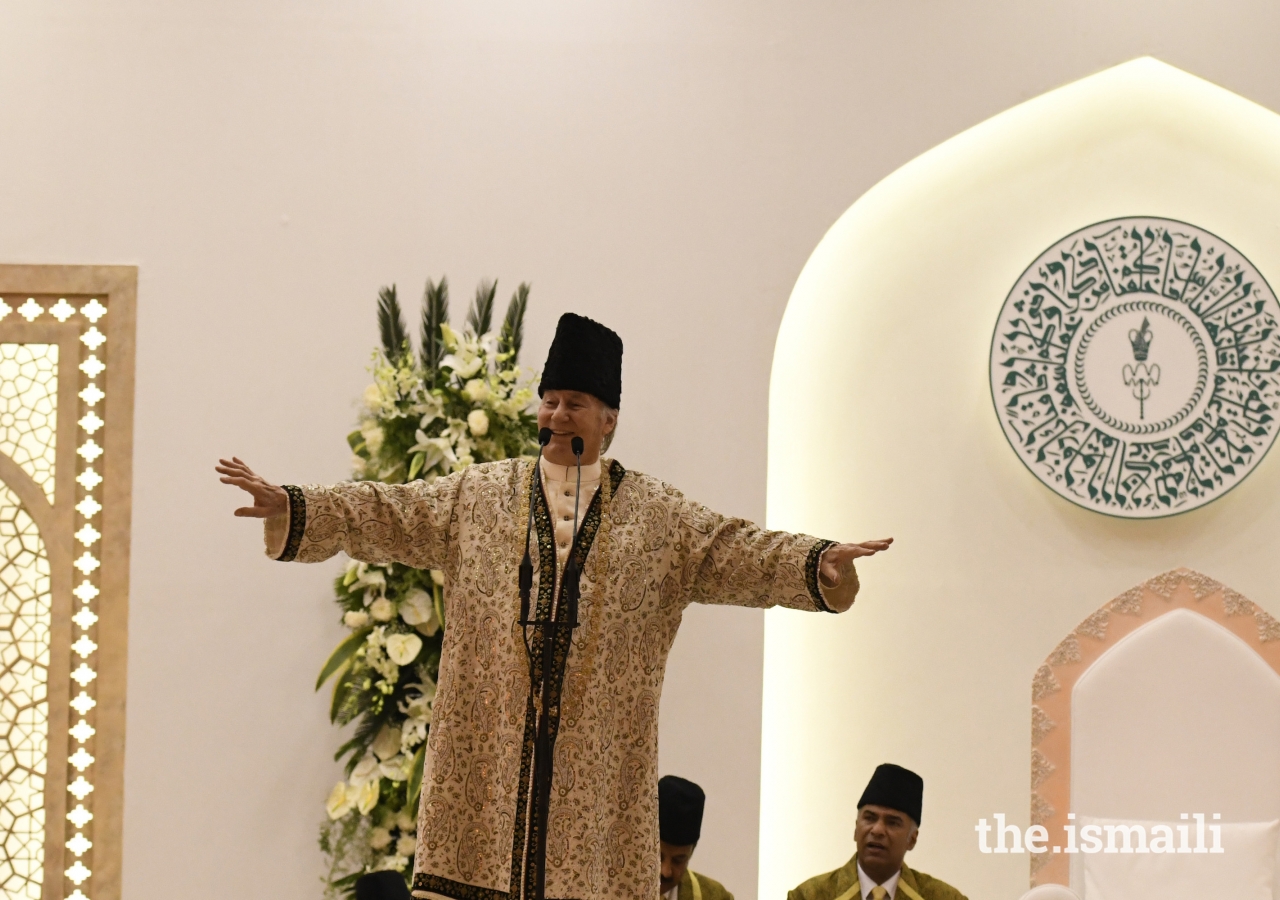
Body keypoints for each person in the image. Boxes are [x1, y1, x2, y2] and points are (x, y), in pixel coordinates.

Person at [217, 313, 892, 900]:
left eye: (574, 404)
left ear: (609, 420)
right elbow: (388, 511)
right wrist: (297, 505)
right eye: (550, 402)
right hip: (482, 777)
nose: (556, 416)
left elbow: (737, 550)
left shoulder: (661, 519)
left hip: (596, 795)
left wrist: (818, 561)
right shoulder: (477, 496)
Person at [787, 764, 967, 900]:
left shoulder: (944, 897)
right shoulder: (808, 896)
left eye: (892, 822)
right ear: (856, 829)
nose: (878, 830)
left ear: (912, 839)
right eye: (870, 818)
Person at [659, 775, 733, 900]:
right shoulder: (616, 888)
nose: (665, 872)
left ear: (691, 852)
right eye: (658, 857)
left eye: (678, 861)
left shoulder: (715, 896)